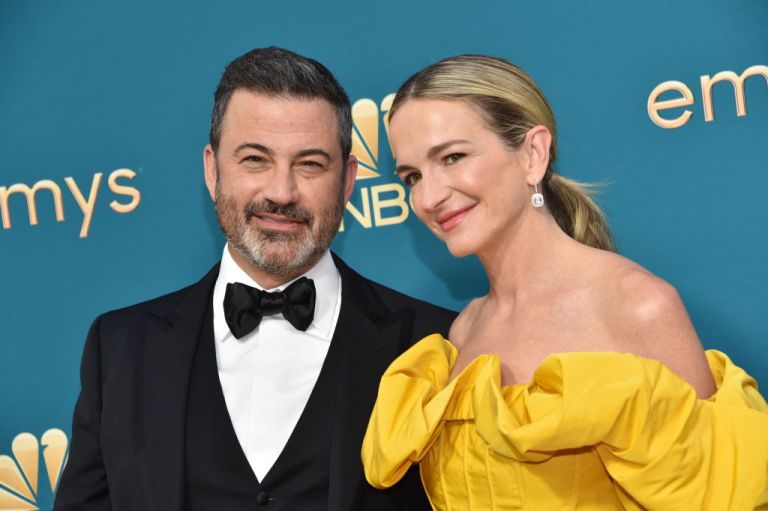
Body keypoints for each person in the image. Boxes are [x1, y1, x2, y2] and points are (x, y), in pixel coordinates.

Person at [53, 47, 455, 511]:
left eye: (309, 164)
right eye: (255, 160)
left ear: (347, 182)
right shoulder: (120, 348)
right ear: (212, 170)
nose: (281, 192)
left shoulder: (436, 343)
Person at [362, 55, 768, 510]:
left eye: (453, 157)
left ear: (533, 154)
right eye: (412, 177)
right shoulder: (467, 328)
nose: (429, 196)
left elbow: (717, 497)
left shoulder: (635, 306)